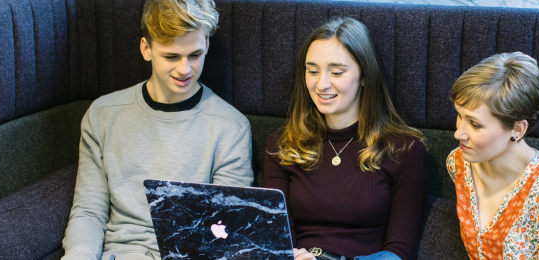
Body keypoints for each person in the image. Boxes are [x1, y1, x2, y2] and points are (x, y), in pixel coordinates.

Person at [61, 0, 253, 259]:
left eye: (195, 55)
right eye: (171, 56)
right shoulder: (102, 115)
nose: (185, 69)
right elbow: (89, 212)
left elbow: (225, 230)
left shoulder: (232, 128)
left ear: (207, 45)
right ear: (146, 49)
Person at [264, 17, 429, 260]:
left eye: (337, 72)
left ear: (364, 76)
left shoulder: (405, 150)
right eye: (312, 71)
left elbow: (398, 252)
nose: (321, 84)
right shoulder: (282, 145)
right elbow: (276, 240)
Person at [447, 52, 539, 259]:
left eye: (475, 124)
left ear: (517, 129)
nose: (458, 133)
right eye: (459, 116)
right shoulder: (458, 163)